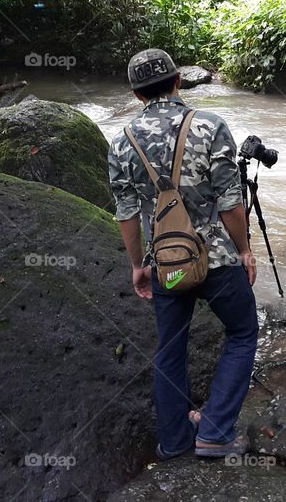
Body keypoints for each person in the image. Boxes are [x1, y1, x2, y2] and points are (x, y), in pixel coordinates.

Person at [107, 49, 259, 459]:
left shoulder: (122, 141)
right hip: (218, 260)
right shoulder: (209, 125)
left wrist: (139, 266)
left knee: (170, 349)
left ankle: (174, 441)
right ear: (178, 82)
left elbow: (126, 213)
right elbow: (230, 200)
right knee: (243, 333)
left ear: (137, 95)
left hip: (166, 263)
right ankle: (213, 432)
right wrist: (245, 251)